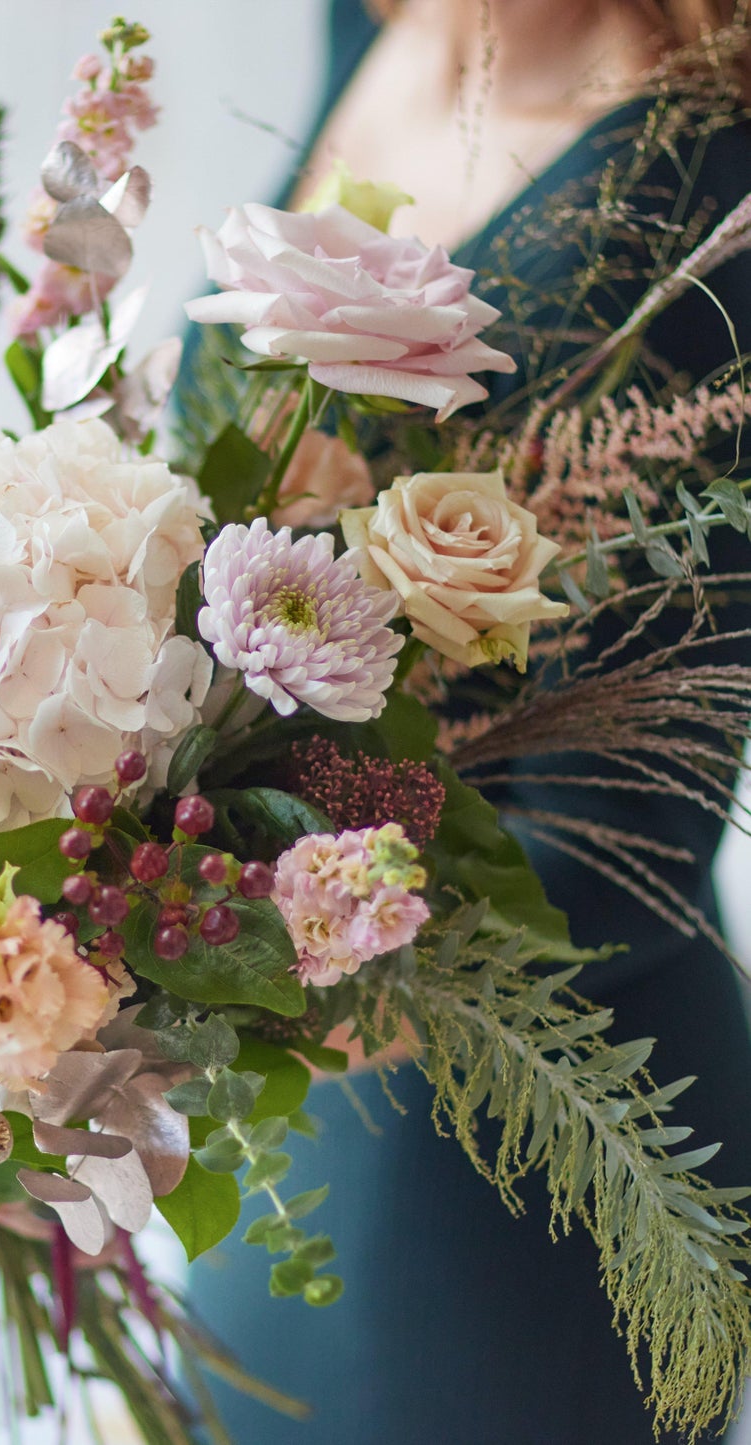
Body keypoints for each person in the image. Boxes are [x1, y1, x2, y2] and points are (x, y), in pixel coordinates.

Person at [187, 2, 751, 1441]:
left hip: (517, 1155)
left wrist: (172, 991)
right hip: (254, 1108)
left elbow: (626, 836)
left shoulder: (713, 174)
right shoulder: (363, 26)